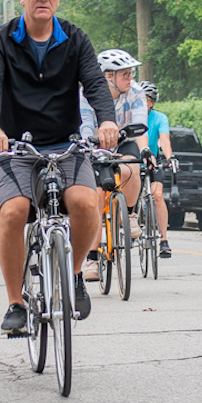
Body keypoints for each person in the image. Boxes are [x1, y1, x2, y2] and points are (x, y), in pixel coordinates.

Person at [0, 0, 118, 334]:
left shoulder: (75, 38)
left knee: (86, 202)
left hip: (65, 144)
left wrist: (106, 120)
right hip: (15, 147)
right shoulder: (0, 40)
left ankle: (74, 274)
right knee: (14, 212)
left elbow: (95, 83)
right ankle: (15, 302)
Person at [79, 49, 148, 281]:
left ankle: (129, 214)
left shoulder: (136, 92)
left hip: (124, 140)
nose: (130, 78)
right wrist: (90, 143)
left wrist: (144, 149)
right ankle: (92, 259)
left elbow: (140, 126)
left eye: (131, 73)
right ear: (109, 76)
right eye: (125, 74)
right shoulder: (86, 94)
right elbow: (85, 124)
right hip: (95, 144)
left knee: (132, 167)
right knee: (98, 197)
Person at [138, 81, 175, 260]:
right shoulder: (130, 116)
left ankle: (164, 240)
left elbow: (165, 140)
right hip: (134, 159)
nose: (143, 103)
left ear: (152, 102)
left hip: (153, 158)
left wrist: (170, 158)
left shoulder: (160, 118)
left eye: (146, 100)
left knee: (158, 195)